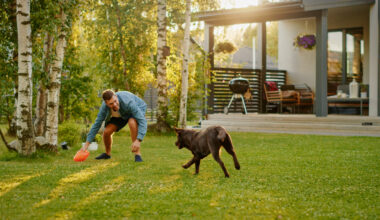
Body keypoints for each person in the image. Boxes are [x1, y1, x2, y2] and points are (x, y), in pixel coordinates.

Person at [82, 89, 147, 162]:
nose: (115, 104)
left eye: (115, 101)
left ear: (116, 96)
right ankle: (107, 154)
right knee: (106, 131)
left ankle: (137, 154)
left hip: (137, 108)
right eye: (111, 104)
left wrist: (138, 140)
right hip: (121, 114)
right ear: (106, 103)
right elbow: (97, 124)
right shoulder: (104, 108)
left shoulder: (128, 102)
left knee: (132, 122)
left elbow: (142, 121)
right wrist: (86, 145)